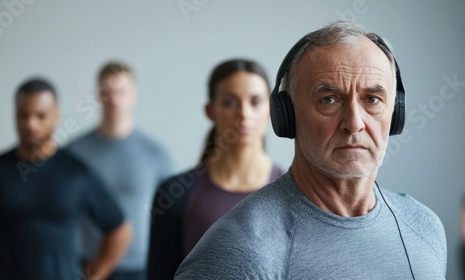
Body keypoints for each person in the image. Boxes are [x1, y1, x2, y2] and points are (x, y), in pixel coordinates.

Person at [175, 21, 447, 279]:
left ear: (395, 113)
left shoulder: (425, 226)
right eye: (329, 100)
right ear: (288, 116)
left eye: (372, 99)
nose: (354, 123)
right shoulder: (238, 248)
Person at [0, 79, 132, 280]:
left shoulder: (77, 174)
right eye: (23, 115)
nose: (30, 124)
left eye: (40, 116)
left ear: (56, 117)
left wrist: (95, 276)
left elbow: (120, 231)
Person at [147, 59, 284, 279]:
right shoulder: (174, 194)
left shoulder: (296, 194)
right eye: (230, 103)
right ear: (211, 111)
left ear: (271, 109)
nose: (244, 114)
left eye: (256, 102)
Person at [67, 61, 174, 280]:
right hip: (88, 264)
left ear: (133, 94)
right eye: (107, 92)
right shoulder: (74, 153)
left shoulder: (156, 154)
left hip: (141, 267)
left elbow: (171, 218)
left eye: (121, 92)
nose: (114, 100)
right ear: (98, 95)